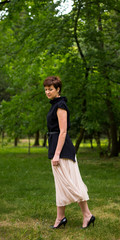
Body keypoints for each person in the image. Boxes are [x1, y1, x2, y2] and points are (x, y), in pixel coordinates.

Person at [43, 76, 95, 229]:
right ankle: (61, 217)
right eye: (45, 89)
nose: (47, 92)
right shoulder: (55, 105)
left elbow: (63, 131)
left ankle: (87, 214)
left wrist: (57, 153)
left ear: (58, 89)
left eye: (50, 89)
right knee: (61, 184)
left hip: (62, 149)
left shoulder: (61, 106)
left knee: (70, 184)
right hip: (56, 147)